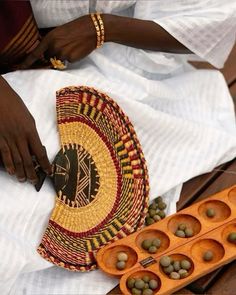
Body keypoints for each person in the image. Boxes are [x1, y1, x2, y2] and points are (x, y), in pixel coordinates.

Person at [1, 1, 236, 294]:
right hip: (15, 76)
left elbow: (212, 17)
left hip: (112, 67)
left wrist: (104, 27)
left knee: (33, 204)